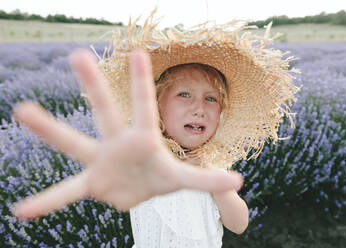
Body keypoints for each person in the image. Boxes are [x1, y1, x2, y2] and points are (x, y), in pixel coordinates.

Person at [12, 11, 299, 248]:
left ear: (221, 114)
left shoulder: (214, 165)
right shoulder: (147, 158)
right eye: (184, 95)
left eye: (211, 99)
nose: (199, 108)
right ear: (155, 107)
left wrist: (214, 178)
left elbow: (238, 224)